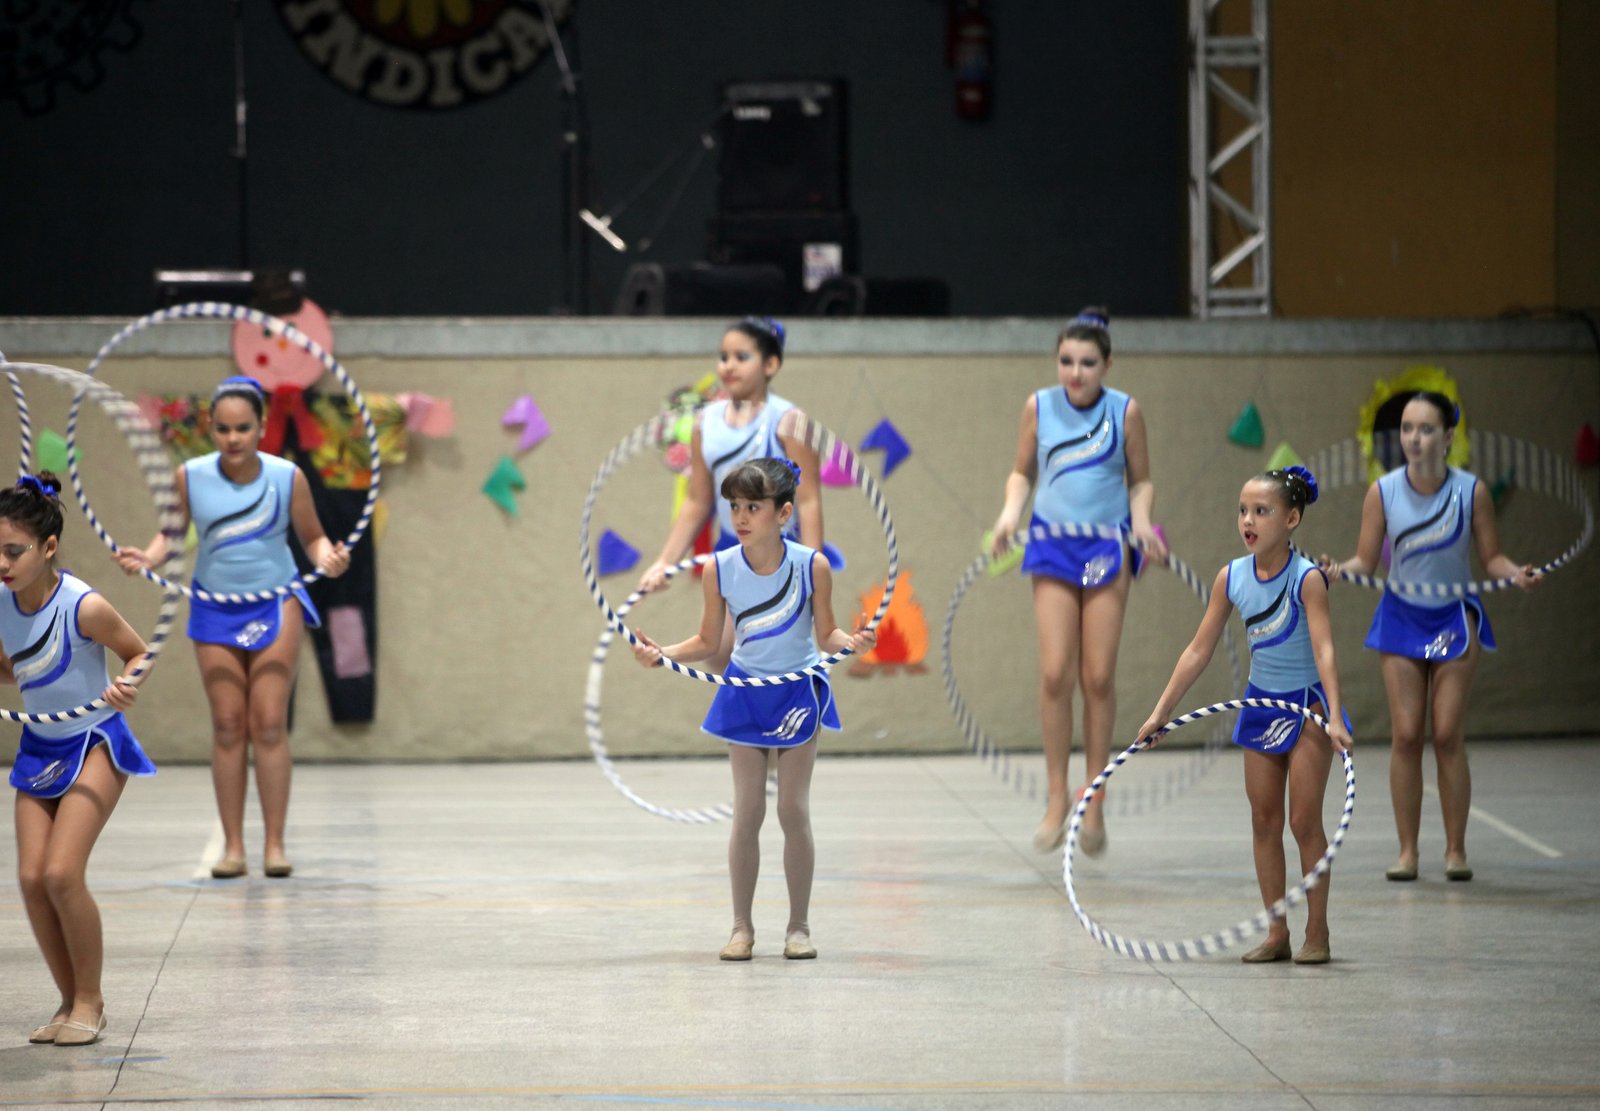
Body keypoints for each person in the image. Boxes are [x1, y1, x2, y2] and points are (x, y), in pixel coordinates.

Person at [631, 459, 874, 962]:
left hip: (796, 692)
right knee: (748, 811)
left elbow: (825, 634)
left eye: (753, 507)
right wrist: (663, 655)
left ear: (783, 513)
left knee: (791, 808)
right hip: (744, 690)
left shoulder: (813, 566)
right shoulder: (719, 568)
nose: (740, 517)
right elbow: (706, 640)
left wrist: (851, 643)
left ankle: (799, 927)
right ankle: (741, 927)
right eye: (735, 507)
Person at [115, 376, 351, 880]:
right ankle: (234, 847)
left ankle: (275, 845)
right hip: (213, 606)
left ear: (262, 427)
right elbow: (174, 533)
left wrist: (327, 557)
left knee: (268, 721)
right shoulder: (191, 475)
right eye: (223, 429)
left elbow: (312, 538)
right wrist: (146, 557)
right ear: (210, 429)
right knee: (227, 725)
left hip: (275, 602)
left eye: (244, 428)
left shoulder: (287, 476)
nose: (233, 438)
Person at [1136, 466, 1352, 964]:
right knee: (1263, 819)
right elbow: (1198, 650)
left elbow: (1325, 651)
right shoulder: (1231, 577)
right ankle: (1276, 931)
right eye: (1243, 510)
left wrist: (1335, 717)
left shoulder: (1308, 580)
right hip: (1260, 705)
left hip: (1306, 708)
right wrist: (1160, 714)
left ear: (1292, 518)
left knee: (1303, 820)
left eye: (1262, 510)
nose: (1248, 520)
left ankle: (1316, 930)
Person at [1322, 391, 1538, 883]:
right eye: (1406, 428)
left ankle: (1456, 850)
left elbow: (1493, 558)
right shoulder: (1383, 491)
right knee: (1404, 736)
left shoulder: (1471, 491)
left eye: (1424, 429)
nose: (1413, 439)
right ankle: (1407, 851)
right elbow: (1364, 559)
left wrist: (1515, 573)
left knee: (1444, 735)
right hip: (1401, 618)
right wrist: (1338, 570)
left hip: (1453, 622)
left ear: (1448, 436)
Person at [988, 308, 1165, 855]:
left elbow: (1141, 481)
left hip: (1105, 547)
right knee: (1055, 673)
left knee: (1098, 677)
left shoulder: (1125, 411)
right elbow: (1023, 471)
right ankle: (1055, 797)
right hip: (1053, 543)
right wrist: (1009, 515)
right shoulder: (1038, 407)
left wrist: (1140, 526)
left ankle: (1095, 796)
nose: (1076, 372)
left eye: (1088, 363)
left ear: (1107, 364)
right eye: (1067, 361)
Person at [2, 473, 156, 1046]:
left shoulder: (84, 605)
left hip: (95, 742)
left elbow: (139, 653)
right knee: (30, 878)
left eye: (13, 551)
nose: (3, 563)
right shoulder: (0, 601)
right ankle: (68, 1003)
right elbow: (11, 667)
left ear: (48, 548)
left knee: (62, 874)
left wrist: (124, 685)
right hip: (37, 747)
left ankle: (91, 1000)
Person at [637, 319, 824, 671]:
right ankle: (750, 722)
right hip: (731, 549)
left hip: (781, 554)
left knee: (782, 663)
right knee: (720, 654)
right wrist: (665, 561)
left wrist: (811, 567)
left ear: (770, 364)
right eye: (724, 356)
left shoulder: (789, 421)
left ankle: (788, 720)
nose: (729, 365)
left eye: (742, 356)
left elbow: (810, 498)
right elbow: (697, 502)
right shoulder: (703, 424)